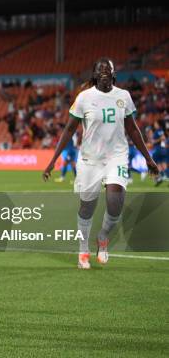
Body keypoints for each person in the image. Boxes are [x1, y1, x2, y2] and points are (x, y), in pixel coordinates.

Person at [43, 58, 159, 269]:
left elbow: (132, 129)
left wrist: (149, 158)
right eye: (100, 70)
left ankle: (103, 238)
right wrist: (53, 161)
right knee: (87, 207)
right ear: (95, 75)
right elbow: (69, 130)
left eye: (108, 69)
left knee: (115, 202)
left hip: (117, 156)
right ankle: (83, 250)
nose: (104, 72)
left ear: (113, 74)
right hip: (90, 159)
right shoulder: (84, 98)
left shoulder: (123, 96)